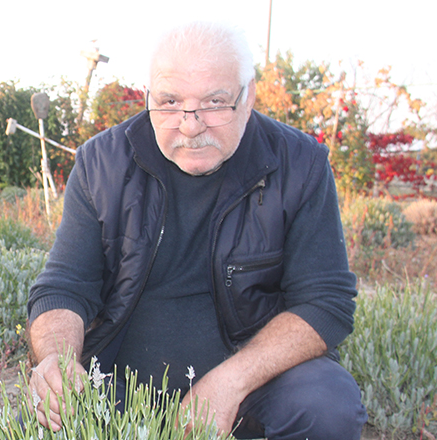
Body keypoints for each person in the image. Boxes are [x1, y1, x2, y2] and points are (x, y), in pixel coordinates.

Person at [26, 21, 368, 439]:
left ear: (249, 97)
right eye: (169, 101)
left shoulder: (300, 164)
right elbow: (64, 286)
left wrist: (229, 382)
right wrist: (59, 362)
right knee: (50, 409)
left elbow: (325, 302)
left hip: (249, 386)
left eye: (214, 102)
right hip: (119, 388)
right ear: (148, 95)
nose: (190, 124)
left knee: (327, 404)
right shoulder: (102, 163)